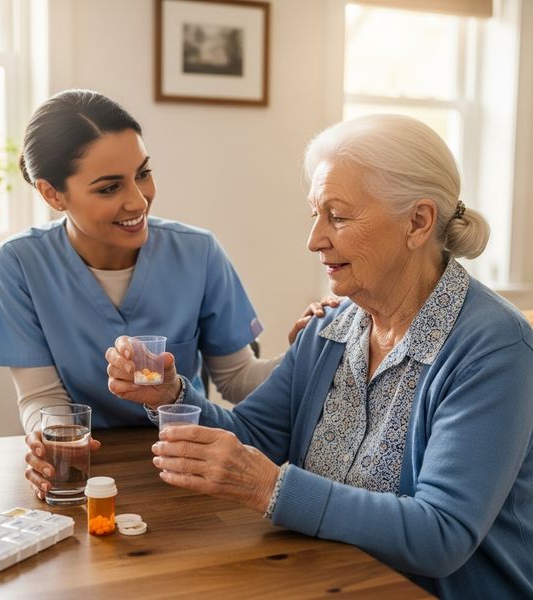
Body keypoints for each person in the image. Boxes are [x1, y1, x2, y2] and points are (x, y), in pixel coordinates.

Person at [104, 114, 533, 599]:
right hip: (329, 579)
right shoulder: (332, 327)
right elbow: (255, 438)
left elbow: (441, 535)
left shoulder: (494, 349)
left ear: (417, 222)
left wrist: (270, 489)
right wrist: (171, 395)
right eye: (315, 214)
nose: (315, 240)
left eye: (339, 215)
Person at [0, 89, 335, 494]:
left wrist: (304, 353)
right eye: (108, 188)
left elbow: (238, 379)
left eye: (143, 173)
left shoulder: (198, 252)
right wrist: (55, 444)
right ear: (52, 194)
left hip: (186, 465)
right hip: (90, 471)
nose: (138, 200)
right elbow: (42, 397)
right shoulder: (19, 263)